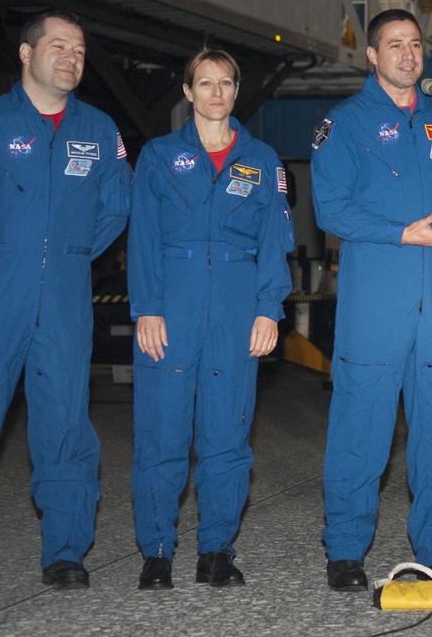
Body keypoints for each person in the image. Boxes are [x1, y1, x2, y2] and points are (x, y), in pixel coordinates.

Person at [0, 10, 133, 594]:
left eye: (79, 50)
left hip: (64, 300)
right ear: (25, 53)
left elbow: (116, 207)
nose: (70, 57)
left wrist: (69, 255)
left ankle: (65, 552)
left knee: (64, 426)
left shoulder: (99, 131)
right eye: (57, 45)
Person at [310, 9, 432, 591]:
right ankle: (345, 552)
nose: (408, 55)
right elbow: (329, 208)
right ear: (372, 55)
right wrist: (400, 231)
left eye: (415, 45)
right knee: (362, 427)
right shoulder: (347, 123)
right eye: (394, 45)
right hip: (375, 298)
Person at [127, 49, 294, 590]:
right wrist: (146, 307)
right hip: (169, 307)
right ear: (187, 91)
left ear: (236, 91)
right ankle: (156, 552)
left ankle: (216, 551)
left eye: (225, 83)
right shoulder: (157, 156)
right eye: (205, 83)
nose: (216, 93)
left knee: (227, 437)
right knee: (162, 435)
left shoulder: (263, 160)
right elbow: (144, 239)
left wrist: (270, 309)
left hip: (235, 307)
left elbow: (275, 243)